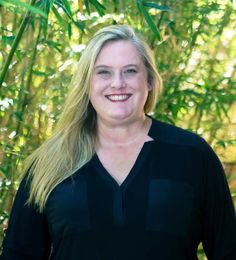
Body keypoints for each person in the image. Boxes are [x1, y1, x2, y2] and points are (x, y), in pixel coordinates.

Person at [1, 24, 236, 260]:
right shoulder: (50, 160)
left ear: (150, 81)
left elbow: (228, 251)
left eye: (130, 71)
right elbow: (19, 255)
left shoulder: (192, 154)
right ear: (87, 84)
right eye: (103, 72)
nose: (117, 83)